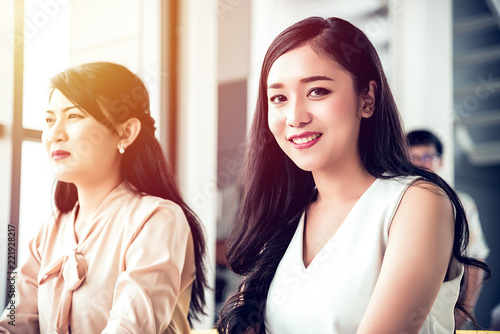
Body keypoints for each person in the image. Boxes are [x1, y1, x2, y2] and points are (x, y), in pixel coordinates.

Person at [216, 17, 490, 334]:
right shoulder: (286, 216)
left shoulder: (417, 203)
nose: (295, 117)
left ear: (367, 99)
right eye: (279, 97)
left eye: (317, 91)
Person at [0, 62, 207, 333]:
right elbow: (14, 322)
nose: (55, 134)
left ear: (125, 132)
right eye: (50, 120)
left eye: (74, 116)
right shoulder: (48, 230)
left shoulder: (157, 219)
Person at [407, 129, 490, 329]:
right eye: (412, 157)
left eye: (427, 157)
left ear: (440, 160)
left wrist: (464, 312)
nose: (420, 163)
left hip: (444, 309)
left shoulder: (462, 204)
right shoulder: (393, 201)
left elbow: (475, 259)